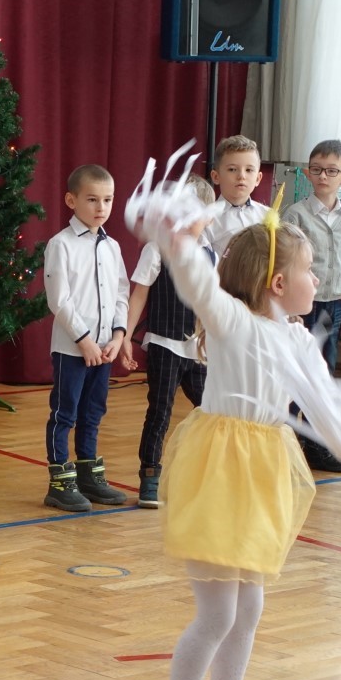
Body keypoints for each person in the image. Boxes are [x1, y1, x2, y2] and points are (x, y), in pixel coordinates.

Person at [128, 170, 341, 680]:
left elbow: (320, 400)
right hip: (219, 470)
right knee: (217, 613)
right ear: (278, 283)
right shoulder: (234, 322)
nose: (317, 279)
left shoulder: (297, 336)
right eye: (310, 270)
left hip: (266, 467)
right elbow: (197, 285)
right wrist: (180, 242)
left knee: (249, 608)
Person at [120, 173, 216, 509]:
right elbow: (139, 294)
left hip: (197, 350)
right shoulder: (156, 249)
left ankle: (206, 476)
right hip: (164, 344)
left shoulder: (211, 255)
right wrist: (126, 336)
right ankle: (150, 476)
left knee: (212, 412)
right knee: (159, 411)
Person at [42, 164, 129, 511]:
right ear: (71, 200)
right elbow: (59, 300)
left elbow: (121, 292)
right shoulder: (60, 245)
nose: (101, 207)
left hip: (105, 348)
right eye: (92, 199)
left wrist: (118, 335)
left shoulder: (113, 247)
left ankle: (88, 474)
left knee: (94, 410)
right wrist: (84, 340)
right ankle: (59, 482)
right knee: (65, 412)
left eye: (107, 200)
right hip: (73, 349)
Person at [282, 138, 341, 472]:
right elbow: (284, 262)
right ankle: (284, 443)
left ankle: (317, 446)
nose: (323, 176)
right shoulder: (296, 214)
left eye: (332, 171)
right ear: (307, 173)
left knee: (322, 376)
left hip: (333, 307)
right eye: (317, 170)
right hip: (302, 308)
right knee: (293, 373)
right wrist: (288, 310)